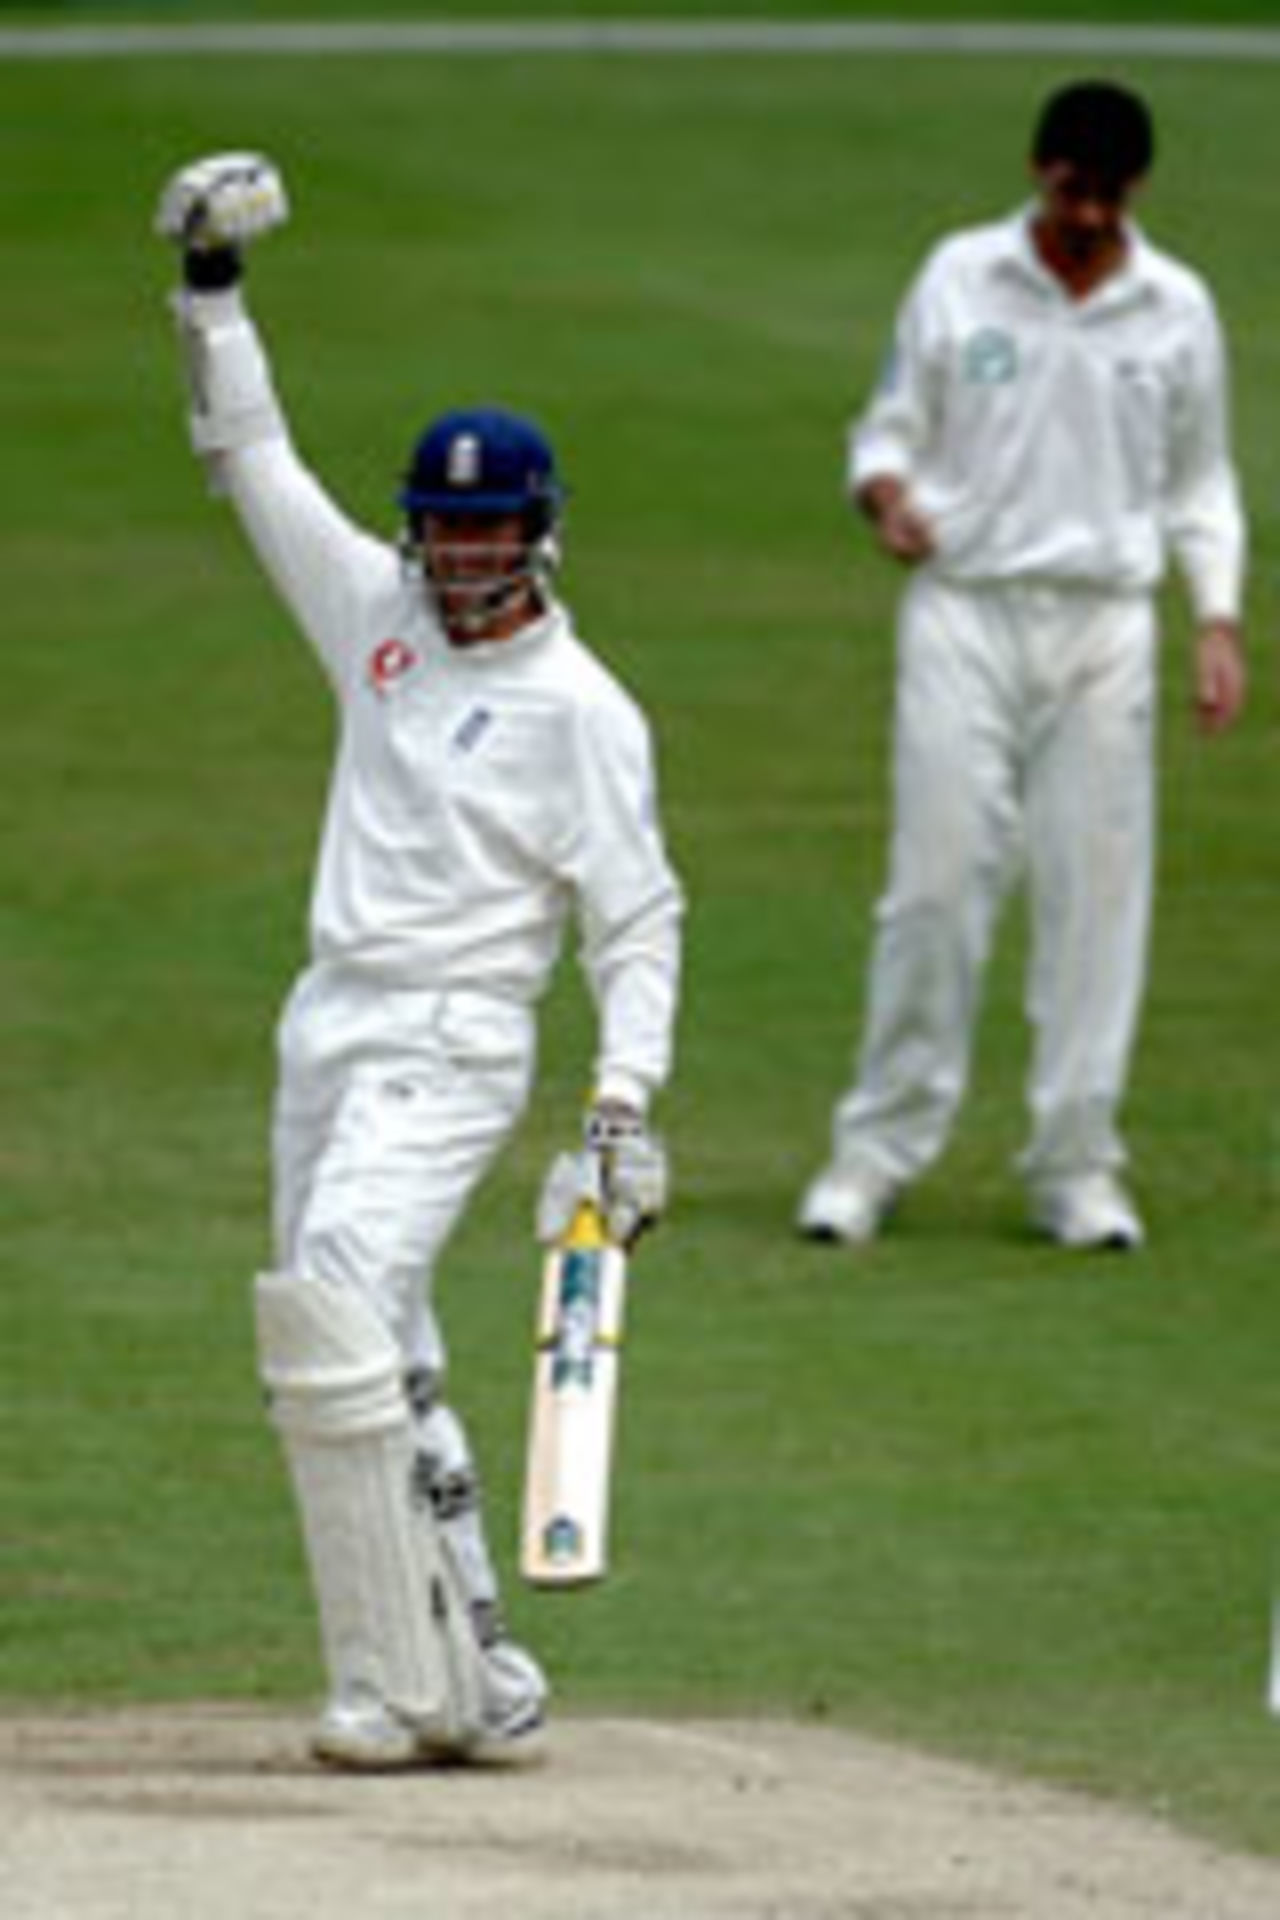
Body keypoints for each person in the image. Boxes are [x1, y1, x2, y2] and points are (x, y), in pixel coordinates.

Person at [155, 154, 683, 1766]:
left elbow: (640, 918)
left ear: (538, 535)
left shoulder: (583, 712)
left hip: (457, 1040)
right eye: (441, 531)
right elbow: (251, 458)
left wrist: (619, 1105)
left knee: (332, 1306)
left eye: (486, 533)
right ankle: (479, 1673)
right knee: (374, 1354)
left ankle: (393, 1693)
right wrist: (207, 287)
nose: (458, 560)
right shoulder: (374, 617)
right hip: (326, 1025)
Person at [799, 80, 1246, 1253]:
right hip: (964, 609)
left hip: (1103, 626)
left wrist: (1215, 620)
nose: (1087, 218)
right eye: (1069, 192)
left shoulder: (1175, 308)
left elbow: (1199, 486)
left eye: (1106, 198)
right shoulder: (959, 275)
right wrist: (886, 495)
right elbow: (885, 428)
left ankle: (1074, 1167)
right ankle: (873, 1151)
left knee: (1096, 901)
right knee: (936, 890)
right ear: (1038, 171)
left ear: (1133, 191)